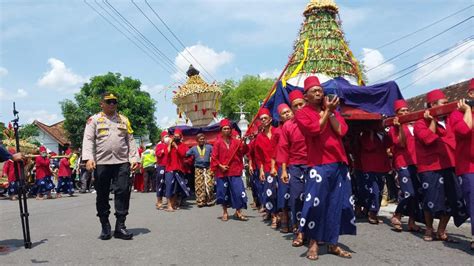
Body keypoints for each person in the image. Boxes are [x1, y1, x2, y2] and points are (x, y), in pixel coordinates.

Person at [294, 76, 356, 260]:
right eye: (314, 91)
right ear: (306, 96)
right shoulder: (302, 113)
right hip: (318, 164)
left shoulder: (331, 110)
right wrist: (327, 111)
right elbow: (314, 130)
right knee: (316, 204)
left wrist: (329, 112)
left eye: (320, 90)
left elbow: (342, 131)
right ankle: (313, 244)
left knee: (338, 204)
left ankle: (332, 243)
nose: (319, 93)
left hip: (339, 163)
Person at [82, 92, 139, 240]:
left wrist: (134, 158)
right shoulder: (93, 120)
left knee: (123, 192)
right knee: (102, 195)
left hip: (121, 162)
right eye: (109, 102)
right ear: (102, 104)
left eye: (114, 102)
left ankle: (120, 226)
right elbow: (88, 140)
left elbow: (130, 140)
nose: (112, 104)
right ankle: (105, 226)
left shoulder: (124, 120)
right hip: (102, 163)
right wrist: (88, 158)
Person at [414, 89, 468, 242]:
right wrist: (432, 120)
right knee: (430, 198)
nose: (446, 106)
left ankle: (441, 230)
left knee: (452, 198)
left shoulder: (452, 119)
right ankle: (429, 229)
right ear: (433, 105)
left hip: (450, 164)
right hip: (429, 167)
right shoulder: (420, 123)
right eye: (443, 104)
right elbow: (428, 139)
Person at [277, 90, 308, 246]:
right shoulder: (288, 126)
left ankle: (315, 231)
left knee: (315, 198)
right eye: (295, 106)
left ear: (306, 104)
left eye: (301, 104)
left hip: (313, 166)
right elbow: (283, 149)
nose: (299, 108)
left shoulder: (314, 120)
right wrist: (283, 170)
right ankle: (298, 231)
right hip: (295, 166)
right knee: (296, 198)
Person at [388, 99, 423, 232]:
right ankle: (397, 215)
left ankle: (412, 222)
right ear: (396, 114)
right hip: (402, 163)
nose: (405, 112)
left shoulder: (415, 125)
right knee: (408, 192)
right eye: (402, 111)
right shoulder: (393, 128)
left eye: (407, 110)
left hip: (417, 162)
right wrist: (399, 127)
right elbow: (401, 143)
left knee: (417, 193)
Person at [449, 79, 474, 250]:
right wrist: (467, 110)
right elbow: (465, 130)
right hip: (468, 167)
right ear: (471, 94)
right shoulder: (457, 114)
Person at [211, 119, 249, 221]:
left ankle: (238, 212)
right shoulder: (217, 143)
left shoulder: (236, 142)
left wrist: (244, 142)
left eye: (228, 128)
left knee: (238, 191)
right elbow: (214, 157)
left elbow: (243, 151)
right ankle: (225, 212)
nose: (227, 130)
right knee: (223, 193)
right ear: (221, 130)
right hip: (222, 173)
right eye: (225, 129)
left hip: (235, 171)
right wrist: (220, 166)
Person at [358, 127, 391, 224]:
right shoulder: (365, 134)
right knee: (374, 190)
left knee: (380, 190)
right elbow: (369, 146)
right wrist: (371, 132)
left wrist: (384, 132)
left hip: (381, 165)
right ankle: (372, 213)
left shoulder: (383, 134)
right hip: (370, 165)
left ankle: (373, 211)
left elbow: (389, 144)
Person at [255, 108, 280, 228]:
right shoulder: (259, 138)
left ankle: (283, 215)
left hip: (280, 166)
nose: (264, 120)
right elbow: (258, 157)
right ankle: (274, 216)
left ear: (270, 119)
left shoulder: (278, 132)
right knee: (270, 193)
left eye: (265, 118)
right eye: (261, 119)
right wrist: (260, 170)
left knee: (281, 192)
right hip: (266, 167)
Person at [272, 103, 293, 233]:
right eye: (284, 113)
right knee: (284, 194)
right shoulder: (278, 132)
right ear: (280, 117)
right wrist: (274, 167)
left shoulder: (299, 126)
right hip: (283, 166)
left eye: (288, 111)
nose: (287, 114)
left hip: (297, 165)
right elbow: (275, 152)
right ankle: (285, 220)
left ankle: (296, 222)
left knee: (296, 195)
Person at [164, 128, 190, 211]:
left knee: (176, 188)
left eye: (178, 136)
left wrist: (176, 146)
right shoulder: (169, 145)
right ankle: (169, 205)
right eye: (174, 136)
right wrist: (170, 145)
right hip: (169, 169)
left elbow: (183, 154)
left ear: (181, 137)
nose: (176, 138)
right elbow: (166, 153)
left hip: (179, 169)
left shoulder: (183, 146)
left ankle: (173, 203)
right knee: (169, 187)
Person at [186, 133, 214, 207]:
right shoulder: (193, 148)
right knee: (199, 185)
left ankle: (209, 200)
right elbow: (186, 154)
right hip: (198, 168)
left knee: (209, 184)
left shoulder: (209, 147)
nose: (202, 140)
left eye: (203, 139)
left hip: (208, 168)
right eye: (200, 139)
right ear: (197, 140)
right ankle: (200, 201)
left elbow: (215, 154)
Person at [155, 131, 169, 209]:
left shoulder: (170, 145)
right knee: (160, 184)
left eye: (168, 136)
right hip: (161, 167)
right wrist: (162, 151)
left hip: (169, 167)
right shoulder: (159, 145)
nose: (167, 138)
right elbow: (157, 153)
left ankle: (168, 201)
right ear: (162, 138)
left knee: (168, 184)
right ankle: (159, 201)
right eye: (165, 136)